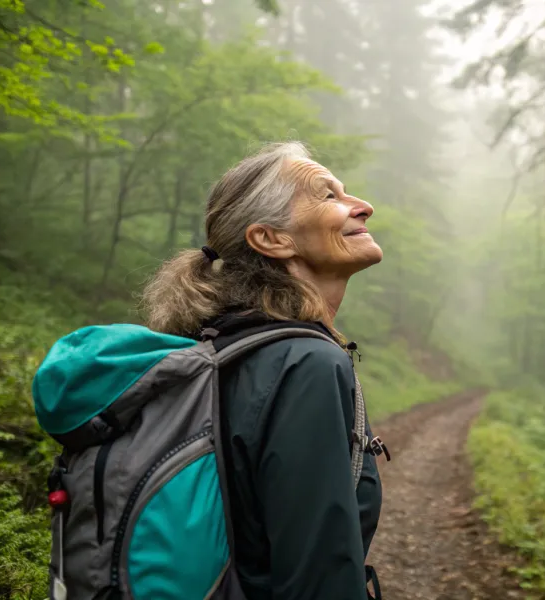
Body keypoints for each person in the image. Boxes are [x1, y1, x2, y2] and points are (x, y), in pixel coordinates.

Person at [139, 141, 385, 600]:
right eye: (328, 195)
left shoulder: (218, 348)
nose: (363, 207)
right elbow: (317, 579)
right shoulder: (305, 363)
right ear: (271, 238)